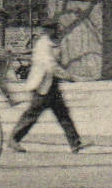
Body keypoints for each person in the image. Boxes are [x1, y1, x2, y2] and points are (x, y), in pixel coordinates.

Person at [9, 18, 88, 154]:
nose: (55, 31)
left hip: (52, 84)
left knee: (63, 114)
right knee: (32, 114)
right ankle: (14, 139)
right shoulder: (43, 45)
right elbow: (50, 65)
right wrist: (68, 76)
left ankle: (75, 143)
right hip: (42, 85)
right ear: (48, 30)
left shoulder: (53, 43)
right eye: (52, 28)